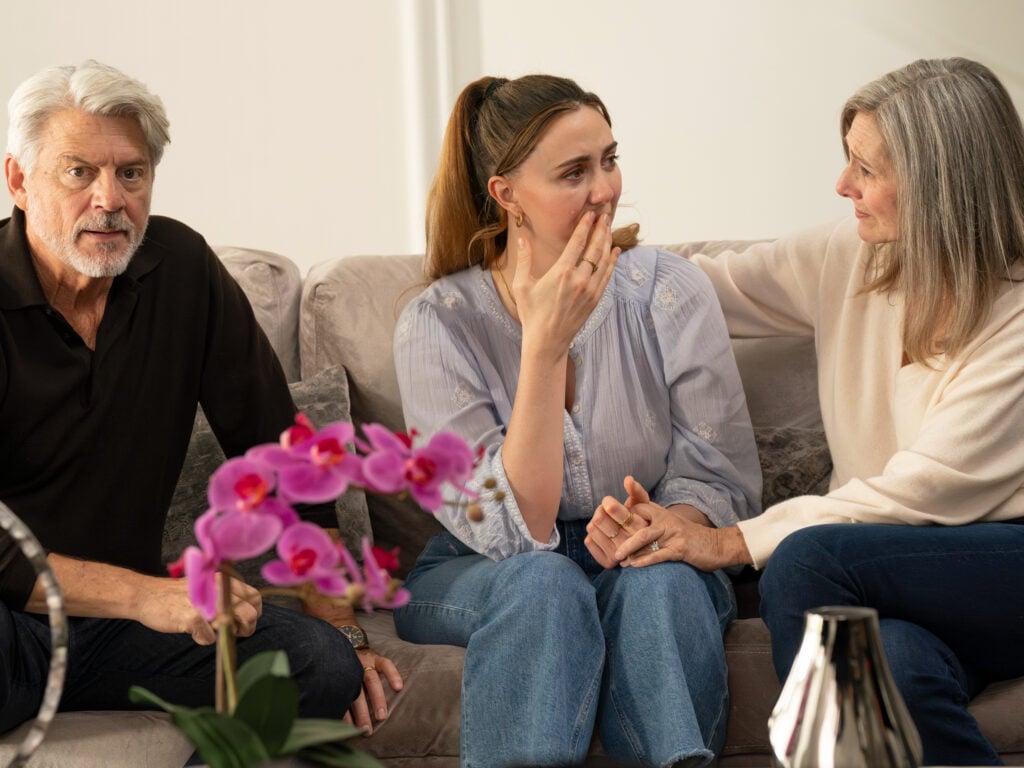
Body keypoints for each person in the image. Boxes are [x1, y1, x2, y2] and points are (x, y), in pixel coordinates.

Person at [587, 57, 1024, 766]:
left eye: (867, 169)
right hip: (892, 566)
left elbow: (921, 491)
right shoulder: (848, 254)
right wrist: (575, 255)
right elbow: (701, 286)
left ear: (943, 185)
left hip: (1000, 563)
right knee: (891, 669)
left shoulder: (1017, 320)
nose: (843, 185)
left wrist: (729, 540)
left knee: (805, 561)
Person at [0, 60, 400, 735]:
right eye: (78, 172)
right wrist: (147, 595)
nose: (109, 199)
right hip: (12, 621)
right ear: (18, 179)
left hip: (116, 634)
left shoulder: (179, 268)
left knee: (318, 666)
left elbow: (280, 454)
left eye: (131, 173)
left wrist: (341, 623)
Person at [392, 74, 762, 768]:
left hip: (644, 552)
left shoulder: (668, 290)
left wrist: (668, 521)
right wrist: (543, 346)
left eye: (609, 160)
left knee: (662, 572)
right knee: (545, 582)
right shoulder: (437, 324)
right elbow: (512, 527)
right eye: (574, 173)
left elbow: (718, 475)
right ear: (506, 195)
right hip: (485, 566)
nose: (606, 189)